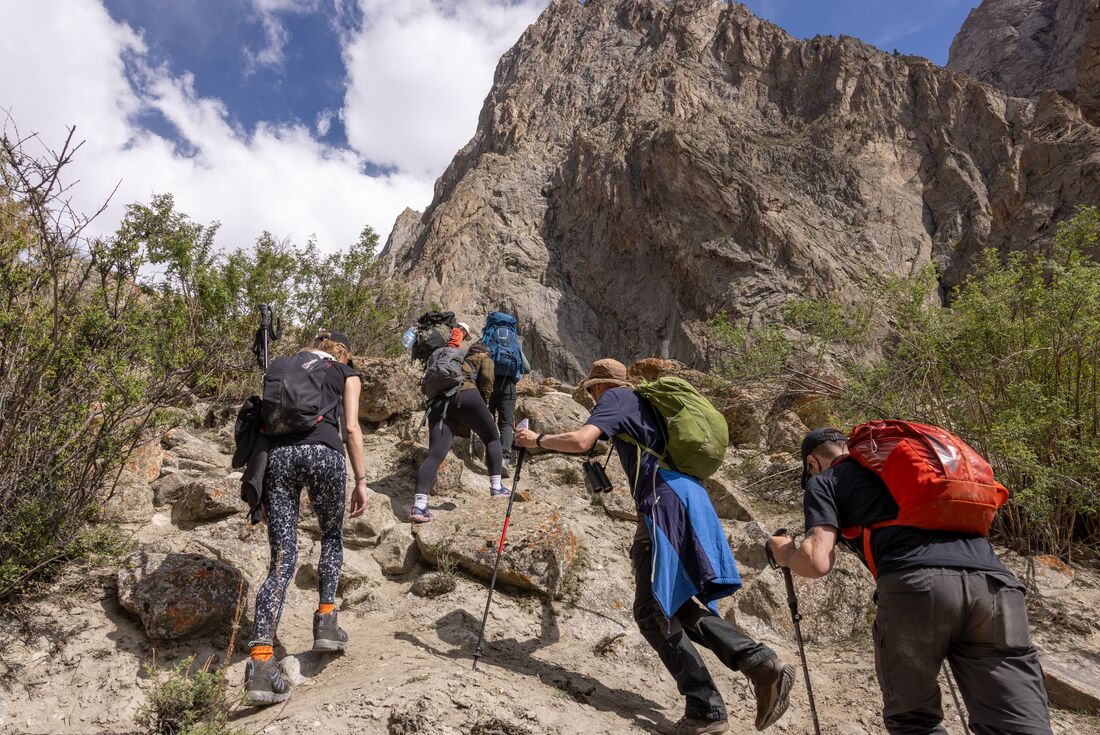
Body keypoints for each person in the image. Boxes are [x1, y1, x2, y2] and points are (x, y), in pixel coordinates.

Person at [515, 359, 795, 735]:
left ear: (598, 385)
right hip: (687, 497)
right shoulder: (644, 405)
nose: (590, 397)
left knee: (651, 611)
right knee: (673, 603)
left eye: (590, 390)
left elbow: (582, 441)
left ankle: (708, 708)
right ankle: (758, 664)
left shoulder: (615, 399)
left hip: (664, 501)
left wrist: (538, 441)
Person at [767, 428, 1053, 735]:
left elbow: (816, 560)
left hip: (917, 585)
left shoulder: (828, 480)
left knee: (915, 721)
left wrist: (785, 554)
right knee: (1017, 722)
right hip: (997, 588)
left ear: (812, 463)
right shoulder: (904, 470)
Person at [245, 330, 369, 706]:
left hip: (278, 460)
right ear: (344, 352)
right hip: (323, 454)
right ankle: (327, 622)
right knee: (331, 535)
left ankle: (261, 664)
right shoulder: (345, 373)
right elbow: (350, 428)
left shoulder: (282, 367)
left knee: (281, 563)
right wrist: (361, 480)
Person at [411, 322, 509, 523]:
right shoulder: (483, 357)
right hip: (466, 394)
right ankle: (497, 487)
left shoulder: (452, 358)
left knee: (436, 454)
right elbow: (487, 381)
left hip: (437, 402)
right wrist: (484, 409)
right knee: (492, 437)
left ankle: (419, 506)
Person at [481, 310, 530, 477]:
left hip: (489, 381)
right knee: (506, 423)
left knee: (487, 419)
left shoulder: (489, 336)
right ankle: (505, 461)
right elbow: (527, 368)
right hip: (509, 385)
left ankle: (489, 457)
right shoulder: (513, 340)